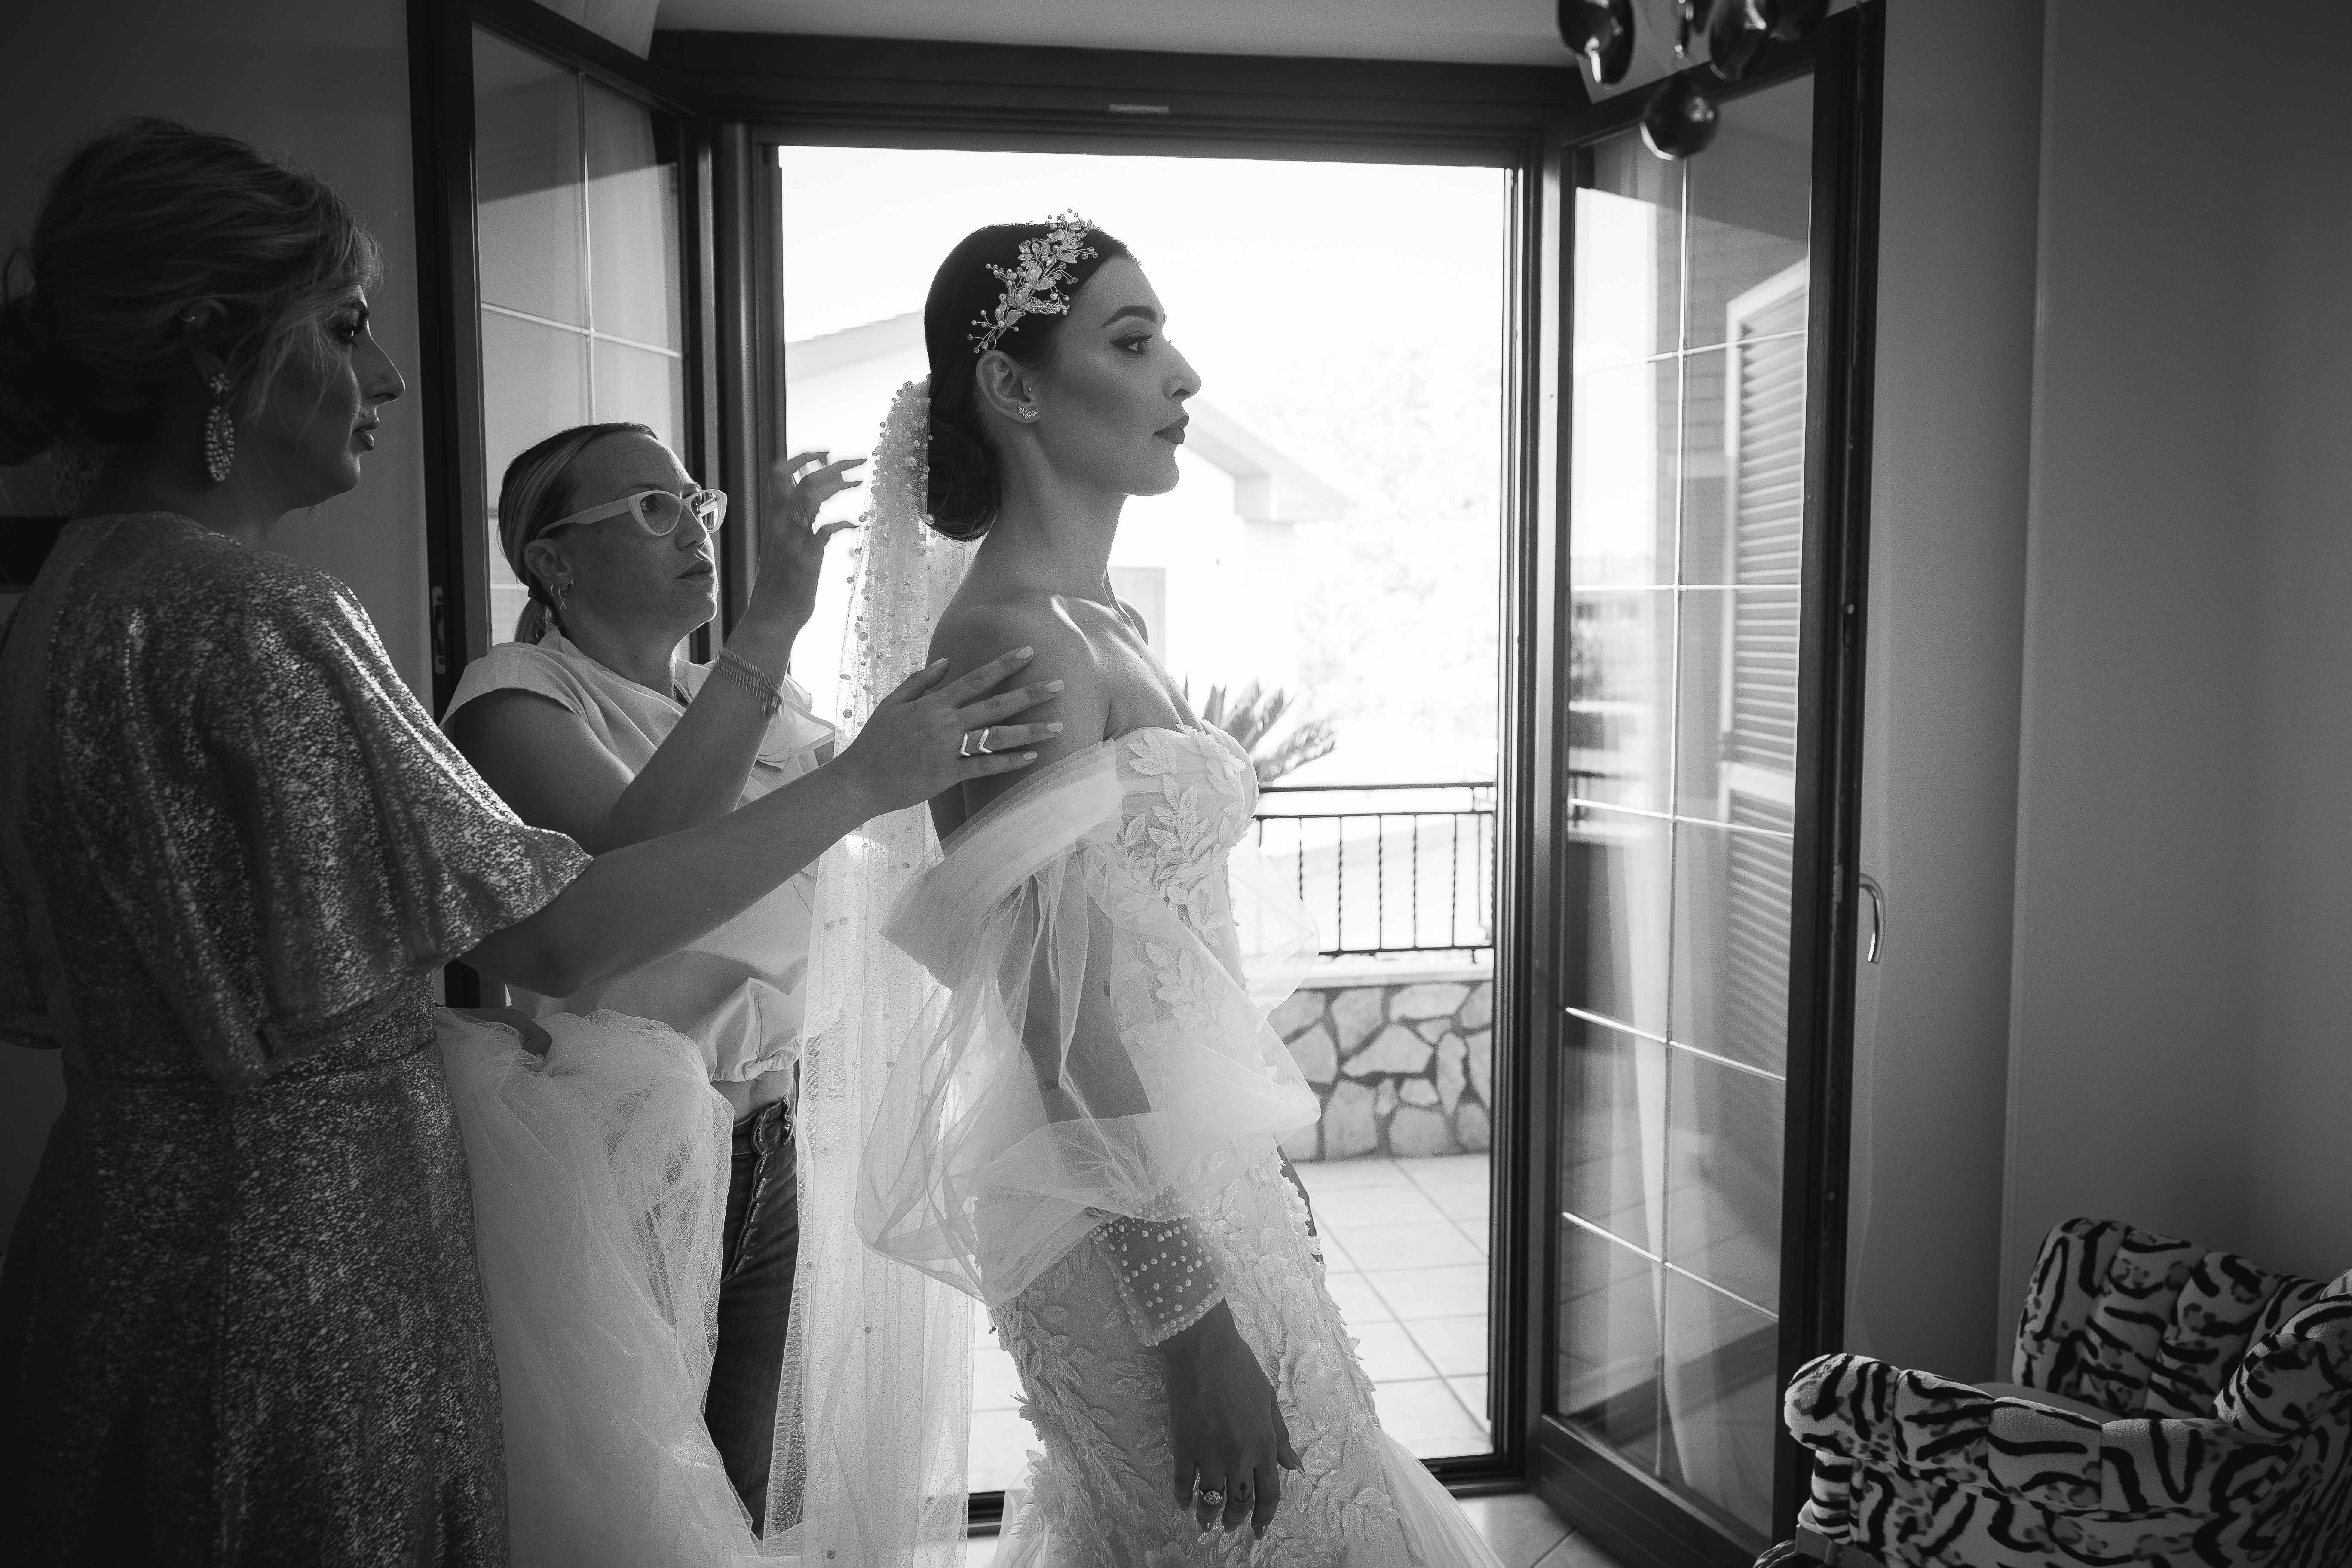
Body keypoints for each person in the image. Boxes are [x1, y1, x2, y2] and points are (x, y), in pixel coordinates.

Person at [0, 117, 1051, 1565]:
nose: (383, 375)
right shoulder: (262, 615)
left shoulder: (67, 603)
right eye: (346, 325)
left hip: (129, 1218)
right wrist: (869, 774)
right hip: (299, 1241)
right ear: (215, 351)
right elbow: (561, 930)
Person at [840, 215, 1507, 1566]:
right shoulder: (1011, 641)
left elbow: (1177, 932)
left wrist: (1261, 1181)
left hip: (1204, 1175)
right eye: (1134, 343)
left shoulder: (1107, 622)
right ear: (1014, 386)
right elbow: (1054, 1021)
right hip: (1121, 1221)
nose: (1184, 376)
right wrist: (1189, 1323)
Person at [440, 420, 991, 1530]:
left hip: (769, 1139)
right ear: (552, 560)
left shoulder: (739, 699)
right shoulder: (514, 697)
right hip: (629, 1150)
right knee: (644, 1500)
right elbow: (638, 858)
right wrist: (771, 626)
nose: (694, 527)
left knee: (739, 1502)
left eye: (699, 503)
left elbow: (890, 814)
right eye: (655, 509)